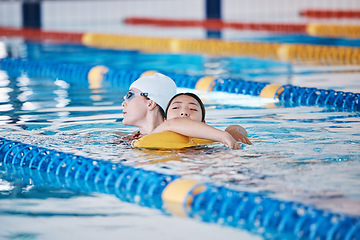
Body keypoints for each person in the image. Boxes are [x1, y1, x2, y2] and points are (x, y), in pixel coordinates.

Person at [150, 92, 252, 149]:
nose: (184, 112)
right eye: (176, 107)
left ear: (203, 123)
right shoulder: (158, 132)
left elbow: (239, 128)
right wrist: (224, 135)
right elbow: (173, 124)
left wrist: (232, 130)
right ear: (165, 120)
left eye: (193, 109)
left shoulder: (208, 138)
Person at [115, 72, 177, 145]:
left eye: (129, 95)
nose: (123, 103)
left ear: (150, 103)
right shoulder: (127, 139)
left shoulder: (174, 139)